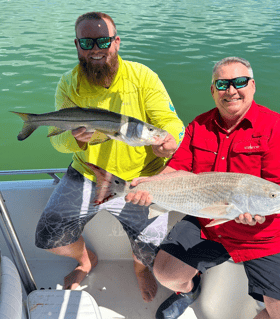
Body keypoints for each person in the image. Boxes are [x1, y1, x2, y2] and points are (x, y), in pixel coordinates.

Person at [125, 57, 280, 318]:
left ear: (252, 86)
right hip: (210, 221)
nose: (231, 90)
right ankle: (189, 290)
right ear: (213, 90)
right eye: (222, 83)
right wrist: (147, 185)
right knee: (166, 274)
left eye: (239, 82)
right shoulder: (198, 125)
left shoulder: (276, 128)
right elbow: (177, 170)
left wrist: (261, 213)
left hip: (266, 235)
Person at [34, 11, 184, 302]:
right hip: (88, 174)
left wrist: (170, 141)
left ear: (117, 42)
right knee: (48, 238)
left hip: (141, 179)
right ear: (77, 45)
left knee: (151, 251)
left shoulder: (142, 77)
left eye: (103, 40)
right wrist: (73, 139)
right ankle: (86, 259)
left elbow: (171, 123)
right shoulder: (69, 84)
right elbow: (58, 141)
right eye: (87, 42)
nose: (95, 49)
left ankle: (140, 270)